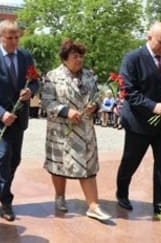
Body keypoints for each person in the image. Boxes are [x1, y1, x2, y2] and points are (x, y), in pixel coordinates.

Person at [115, 22, 161, 214]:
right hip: (138, 122)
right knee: (131, 161)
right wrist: (153, 106)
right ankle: (121, 192)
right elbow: (127, 90)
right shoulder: (133, 58)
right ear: (149, 38)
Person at [40, 39, 111, 221]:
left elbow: (97, 97)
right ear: (65, 59)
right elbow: (47, 101)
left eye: (81, 56)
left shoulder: (88, 76)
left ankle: (93, 206)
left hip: (85, 129)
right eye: (75, 56)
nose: (79, 60)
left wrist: (94, 105)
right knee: (59, 166)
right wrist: (66, 111)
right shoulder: (52, 76)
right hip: (61, 130)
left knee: (88, 167)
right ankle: (60, 196)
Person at [0, 19, 39, 221]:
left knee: (15, 159)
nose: (14, 41)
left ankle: (1, 188)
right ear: (0, 38)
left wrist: (30, 91)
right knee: (4, 155)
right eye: (10, 37)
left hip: (19, 118)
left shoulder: (26, 57)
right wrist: (1, 113)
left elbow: (35, 81)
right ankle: (6, 201)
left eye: (17, 37)